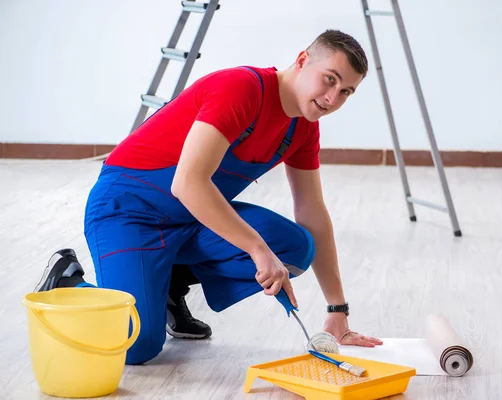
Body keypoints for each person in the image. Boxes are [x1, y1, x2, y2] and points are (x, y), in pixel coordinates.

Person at [35, 29, 383, 365]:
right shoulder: (243, 89)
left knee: (296, 246)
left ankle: (168, 285)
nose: (333, 98)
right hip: (128, 212)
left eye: (347, 92)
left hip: (189, 220)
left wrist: (337, 310)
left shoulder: (302, 128)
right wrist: (257, 249)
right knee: (135, 346)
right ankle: (69, 280)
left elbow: (312, 211)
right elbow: (188, 183)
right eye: (330, 79)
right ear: (303, 59)